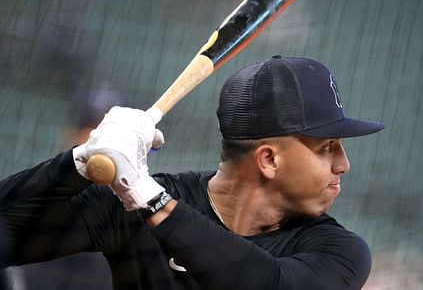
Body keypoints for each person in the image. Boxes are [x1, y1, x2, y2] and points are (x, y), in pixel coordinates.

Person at [0, 55, 384, 290]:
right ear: (268, 160)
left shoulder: (338, 250)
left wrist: (150, 199)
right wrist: (76, 163)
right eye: (327, 147)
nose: (343, 164)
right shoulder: (130, 206)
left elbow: (269, 284)